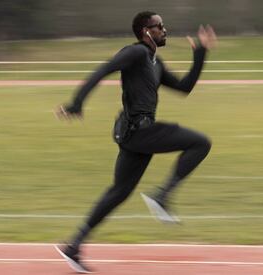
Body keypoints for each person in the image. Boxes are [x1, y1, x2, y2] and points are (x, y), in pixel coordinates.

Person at [54, 11, 217, 273]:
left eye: (163, 26)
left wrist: (200, 54)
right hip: (138, 132)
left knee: (119, 192)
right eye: (159, 26)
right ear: (145, 31)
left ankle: (74, 245)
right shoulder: (136, 53)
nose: (164, 30)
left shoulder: (156, 63)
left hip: (137, 135)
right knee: (200, 143)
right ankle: (162, 196)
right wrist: (77, 102)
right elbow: (104, 69)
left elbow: (184, 87)